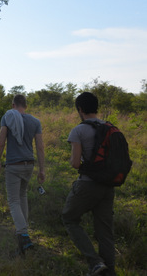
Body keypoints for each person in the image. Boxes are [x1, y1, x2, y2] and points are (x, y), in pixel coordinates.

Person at [62, 92, 116, 276]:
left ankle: (95, 263)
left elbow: (76, 163)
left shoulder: (78, 130)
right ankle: (109, 271)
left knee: (69, 218)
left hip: (87, 185)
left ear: (80, 109)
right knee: (105, 231)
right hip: (108, 186)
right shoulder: (110, 128)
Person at [0, 94, 45, 255]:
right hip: (29, 164)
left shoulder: (7, 118)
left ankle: (24, 236)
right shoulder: (35, 121)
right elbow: (40, 147)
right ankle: (24, 231)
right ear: (26, 106)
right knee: (22, 196)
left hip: (13, 165)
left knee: (13, 200)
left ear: (13, 104)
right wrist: (42, 169)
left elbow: (1, 142)